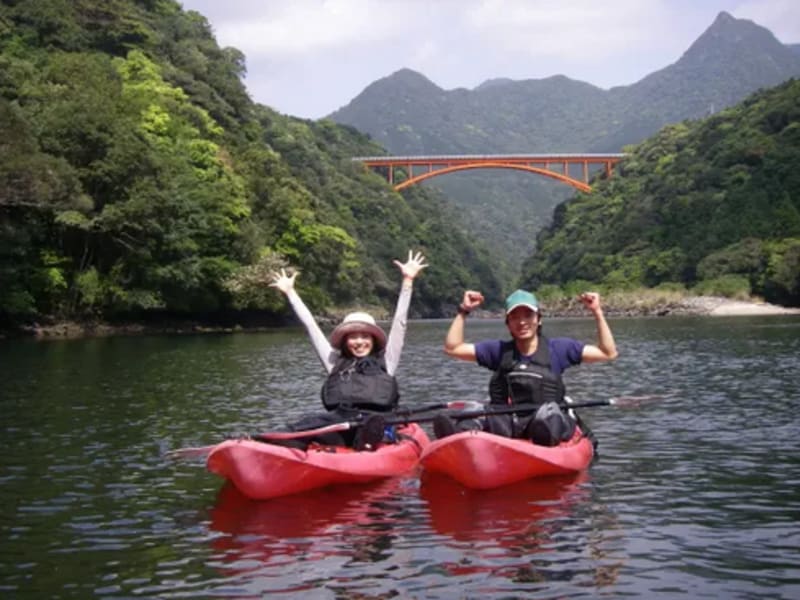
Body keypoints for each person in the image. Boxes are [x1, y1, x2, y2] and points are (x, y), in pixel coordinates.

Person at [269, 250, 428, 450]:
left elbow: (400, 323)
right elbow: (311, 327)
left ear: (373, 339)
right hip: (340, 424)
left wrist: (407, 282)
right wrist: (290, 293)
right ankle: (275, 445)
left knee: (373, 427)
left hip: (375, 423)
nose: (359, 341)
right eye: (353, 336)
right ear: (345, 341)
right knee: (305, 425)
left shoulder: (387, 360)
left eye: (365, 336)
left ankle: (370, 443)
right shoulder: (334, 362)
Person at [435, 288, 618, 446]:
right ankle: (457, 434)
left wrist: (597, 312)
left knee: (548, 418)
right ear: (508, 323)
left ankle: (544, 438)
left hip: (545, 420)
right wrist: (463, 310)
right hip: (509, 422)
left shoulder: (560, 349)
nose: (522, 322)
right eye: (514, 317)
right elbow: (453, 348)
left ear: (538, 319)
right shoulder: (499, 351)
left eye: (528, 315)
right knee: (477, 413)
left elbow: (608, 353)